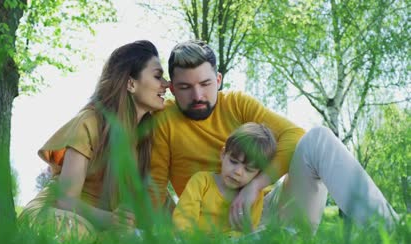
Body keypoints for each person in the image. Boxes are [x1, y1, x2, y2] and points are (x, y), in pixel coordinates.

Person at [150, 40, 398, 233]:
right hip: (211, 225)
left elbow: (294, 135)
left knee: (318, 139)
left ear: (218, 80)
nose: (198, 95)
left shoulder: (236, 103)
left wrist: (254, 187)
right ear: (172, 88)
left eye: (205, 84)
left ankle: (391, 234)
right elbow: (156, 191)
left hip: (269, 209)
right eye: (185, 87)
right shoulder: (164, 120)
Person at [19, 40, 169, 241]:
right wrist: (112, 221)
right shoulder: (91, 122)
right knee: (79, 234)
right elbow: (65, 201)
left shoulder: (146, 137)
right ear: (131, 83)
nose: (166, 84)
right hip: (56, 216)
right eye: (158, 76)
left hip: (99, 227)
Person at [172, 123, 277, 236]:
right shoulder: (202, 181)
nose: (238, 172)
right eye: (233, 161)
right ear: (223, 154)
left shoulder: (254, 197)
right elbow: (183, 219)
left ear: (258, 173)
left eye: (248, 169)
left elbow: (247, 235)